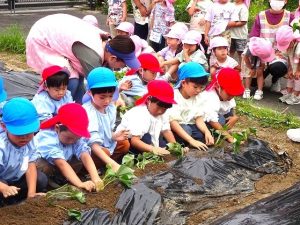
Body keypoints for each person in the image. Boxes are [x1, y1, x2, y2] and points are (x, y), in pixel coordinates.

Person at [26, 14, 140, 103]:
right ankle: (52, 110)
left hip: (55, 31)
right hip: (42, 39)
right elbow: (99, 85)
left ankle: (77, 108)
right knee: (70, 80)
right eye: (124, 65)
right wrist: (115, 98)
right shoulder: (93, 55)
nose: (123, 67)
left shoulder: (107, 44)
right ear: (114, 58)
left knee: (79, 80)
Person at [35, 103, 103, 192]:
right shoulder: (47, 137)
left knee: (80, 158)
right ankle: (47, 185)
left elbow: (84, 154)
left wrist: (96, 178)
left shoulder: (74, 137)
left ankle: (61, 179)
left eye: (76, 138)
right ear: (57, 128)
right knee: (44, 166)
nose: (72, 141)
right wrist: (80, 184)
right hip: (43, 166)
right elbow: (61, 163)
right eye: (69, 138)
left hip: (61, 164)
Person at [0, 98, 48, 206]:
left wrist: (31, 193)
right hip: (2, 181)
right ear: (4, 126)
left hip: (15, 179)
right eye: (19, 134)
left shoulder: (31, 141)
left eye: (28, 133)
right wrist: (3, 188)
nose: (24, 138)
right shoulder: (2, 146)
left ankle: (16, 199)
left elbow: (30, 165)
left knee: (41, 179)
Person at [83, 67, 130, 172]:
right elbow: (93, 144)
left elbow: (108, 131)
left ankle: (105, 164)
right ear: (90, 93)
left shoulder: (111, 108)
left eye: (110, 96)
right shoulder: (88, 112)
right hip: (90, 148)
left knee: (125, 144)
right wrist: (113, 164)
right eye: (102, 97)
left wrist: (114, 136)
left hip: (105, 144)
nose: (107, 101)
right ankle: (95, 168)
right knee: (105, 153)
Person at [116, 80, 176, 155]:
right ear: (148, 101)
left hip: (149, 139)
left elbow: (166, 131)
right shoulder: (140, 113)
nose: (161, 111)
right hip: (129, 142)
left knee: (164, 145)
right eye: (159, 107)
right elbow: (135, 141)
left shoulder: (163, 114)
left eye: (164, 109)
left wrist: (176, 147)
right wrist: (154, 149)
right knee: (147, 139)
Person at [249, 0, 294, 94]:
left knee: (278, 68)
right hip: (262, 53)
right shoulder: (261, 16)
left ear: (285, 1)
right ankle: (262, 77)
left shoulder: (290, 17)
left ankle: (275, 79)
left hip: (281, 54)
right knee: (253, 82)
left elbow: (294, 38)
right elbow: (253, 37)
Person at [168, 62, 213, 150]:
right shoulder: (174, 96)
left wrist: (207, 132)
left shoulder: (198, 97)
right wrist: (191, 140)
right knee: (187, 131)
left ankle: (190, 141)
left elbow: (198, 118)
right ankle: (181, 145)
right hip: (176, 126)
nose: (198, 91)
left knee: (202, 134)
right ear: (184, 83)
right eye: (195, 87)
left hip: (189, 124)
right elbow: (173, 122)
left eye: (201, 87)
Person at [202, 68, 245, 143]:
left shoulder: (226, 95)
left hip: (218, 116)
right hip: (206, 120)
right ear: (218, 87)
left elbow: (232, 107)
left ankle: (222, 132)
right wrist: (229, 138)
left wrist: (235, 117)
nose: (231, 97)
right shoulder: (210, 97)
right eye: (229, 94)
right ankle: (217, 133)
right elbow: (212, 121)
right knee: (221, 120)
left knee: (229, 114)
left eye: (233, 95)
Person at [277, 26, 300, 105]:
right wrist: (290, 69)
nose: (286, 48)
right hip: (295, 64)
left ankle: (296, 96)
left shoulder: (298, 46)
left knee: (298, 78)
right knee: (290, 76)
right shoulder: (290, 47)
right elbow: (290, 57)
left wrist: (298, 70)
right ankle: (289, 93)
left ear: (291, 41)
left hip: (299, 65)